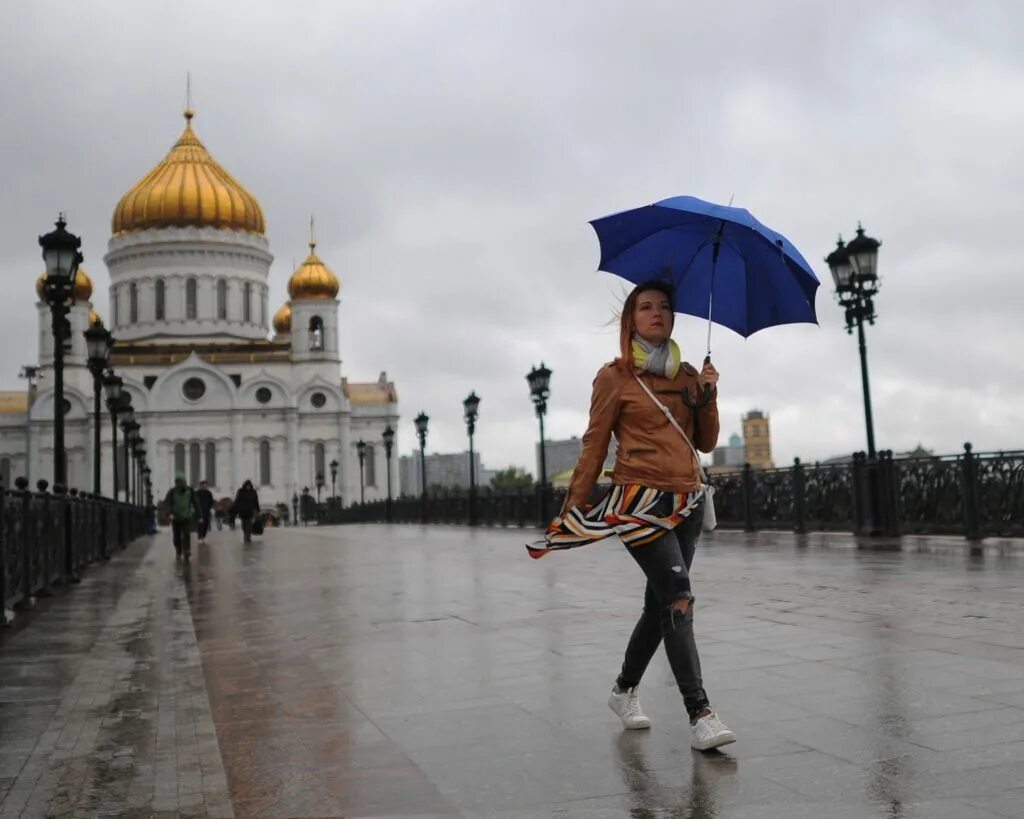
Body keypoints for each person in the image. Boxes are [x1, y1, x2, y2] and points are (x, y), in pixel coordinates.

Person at [528, 280, 735, 751]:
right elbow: (594, 443)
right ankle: (700, 712)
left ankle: (623, 690)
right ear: (631, 320)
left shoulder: (687, 375)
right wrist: (573, 506)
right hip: (638, 503)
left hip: (686, 500)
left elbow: (705, 443)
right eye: (646, 307)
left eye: (664, 306)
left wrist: (708, 397)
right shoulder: (615, 376)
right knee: (679, 596)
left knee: (658, 604)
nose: (657, 313)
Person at [163, 473, 200, 562]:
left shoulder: (189, 490)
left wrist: (199, 515)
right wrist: (169, 513)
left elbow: (196, 502)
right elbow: (167, 503)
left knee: (186, 534)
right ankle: (178, 551)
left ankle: (187, 550)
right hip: (175, 517)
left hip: (186, 516)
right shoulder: (172, 492)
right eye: (177, 482)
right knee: (177, 536)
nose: (178, 484)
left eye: (180, 481)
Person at [195, 480, 215, 545]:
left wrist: (210, 507)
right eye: (203, 485)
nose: (204, 486)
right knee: (200, 525)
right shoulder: (197, 493)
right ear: (200, 486)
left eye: (205, 485)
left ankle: (203, 537)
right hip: (199, 512)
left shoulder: (208, 493)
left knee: (206, 525)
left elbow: (211, 501)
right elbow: (195, 502)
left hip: (207, 511)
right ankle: (199, 537)